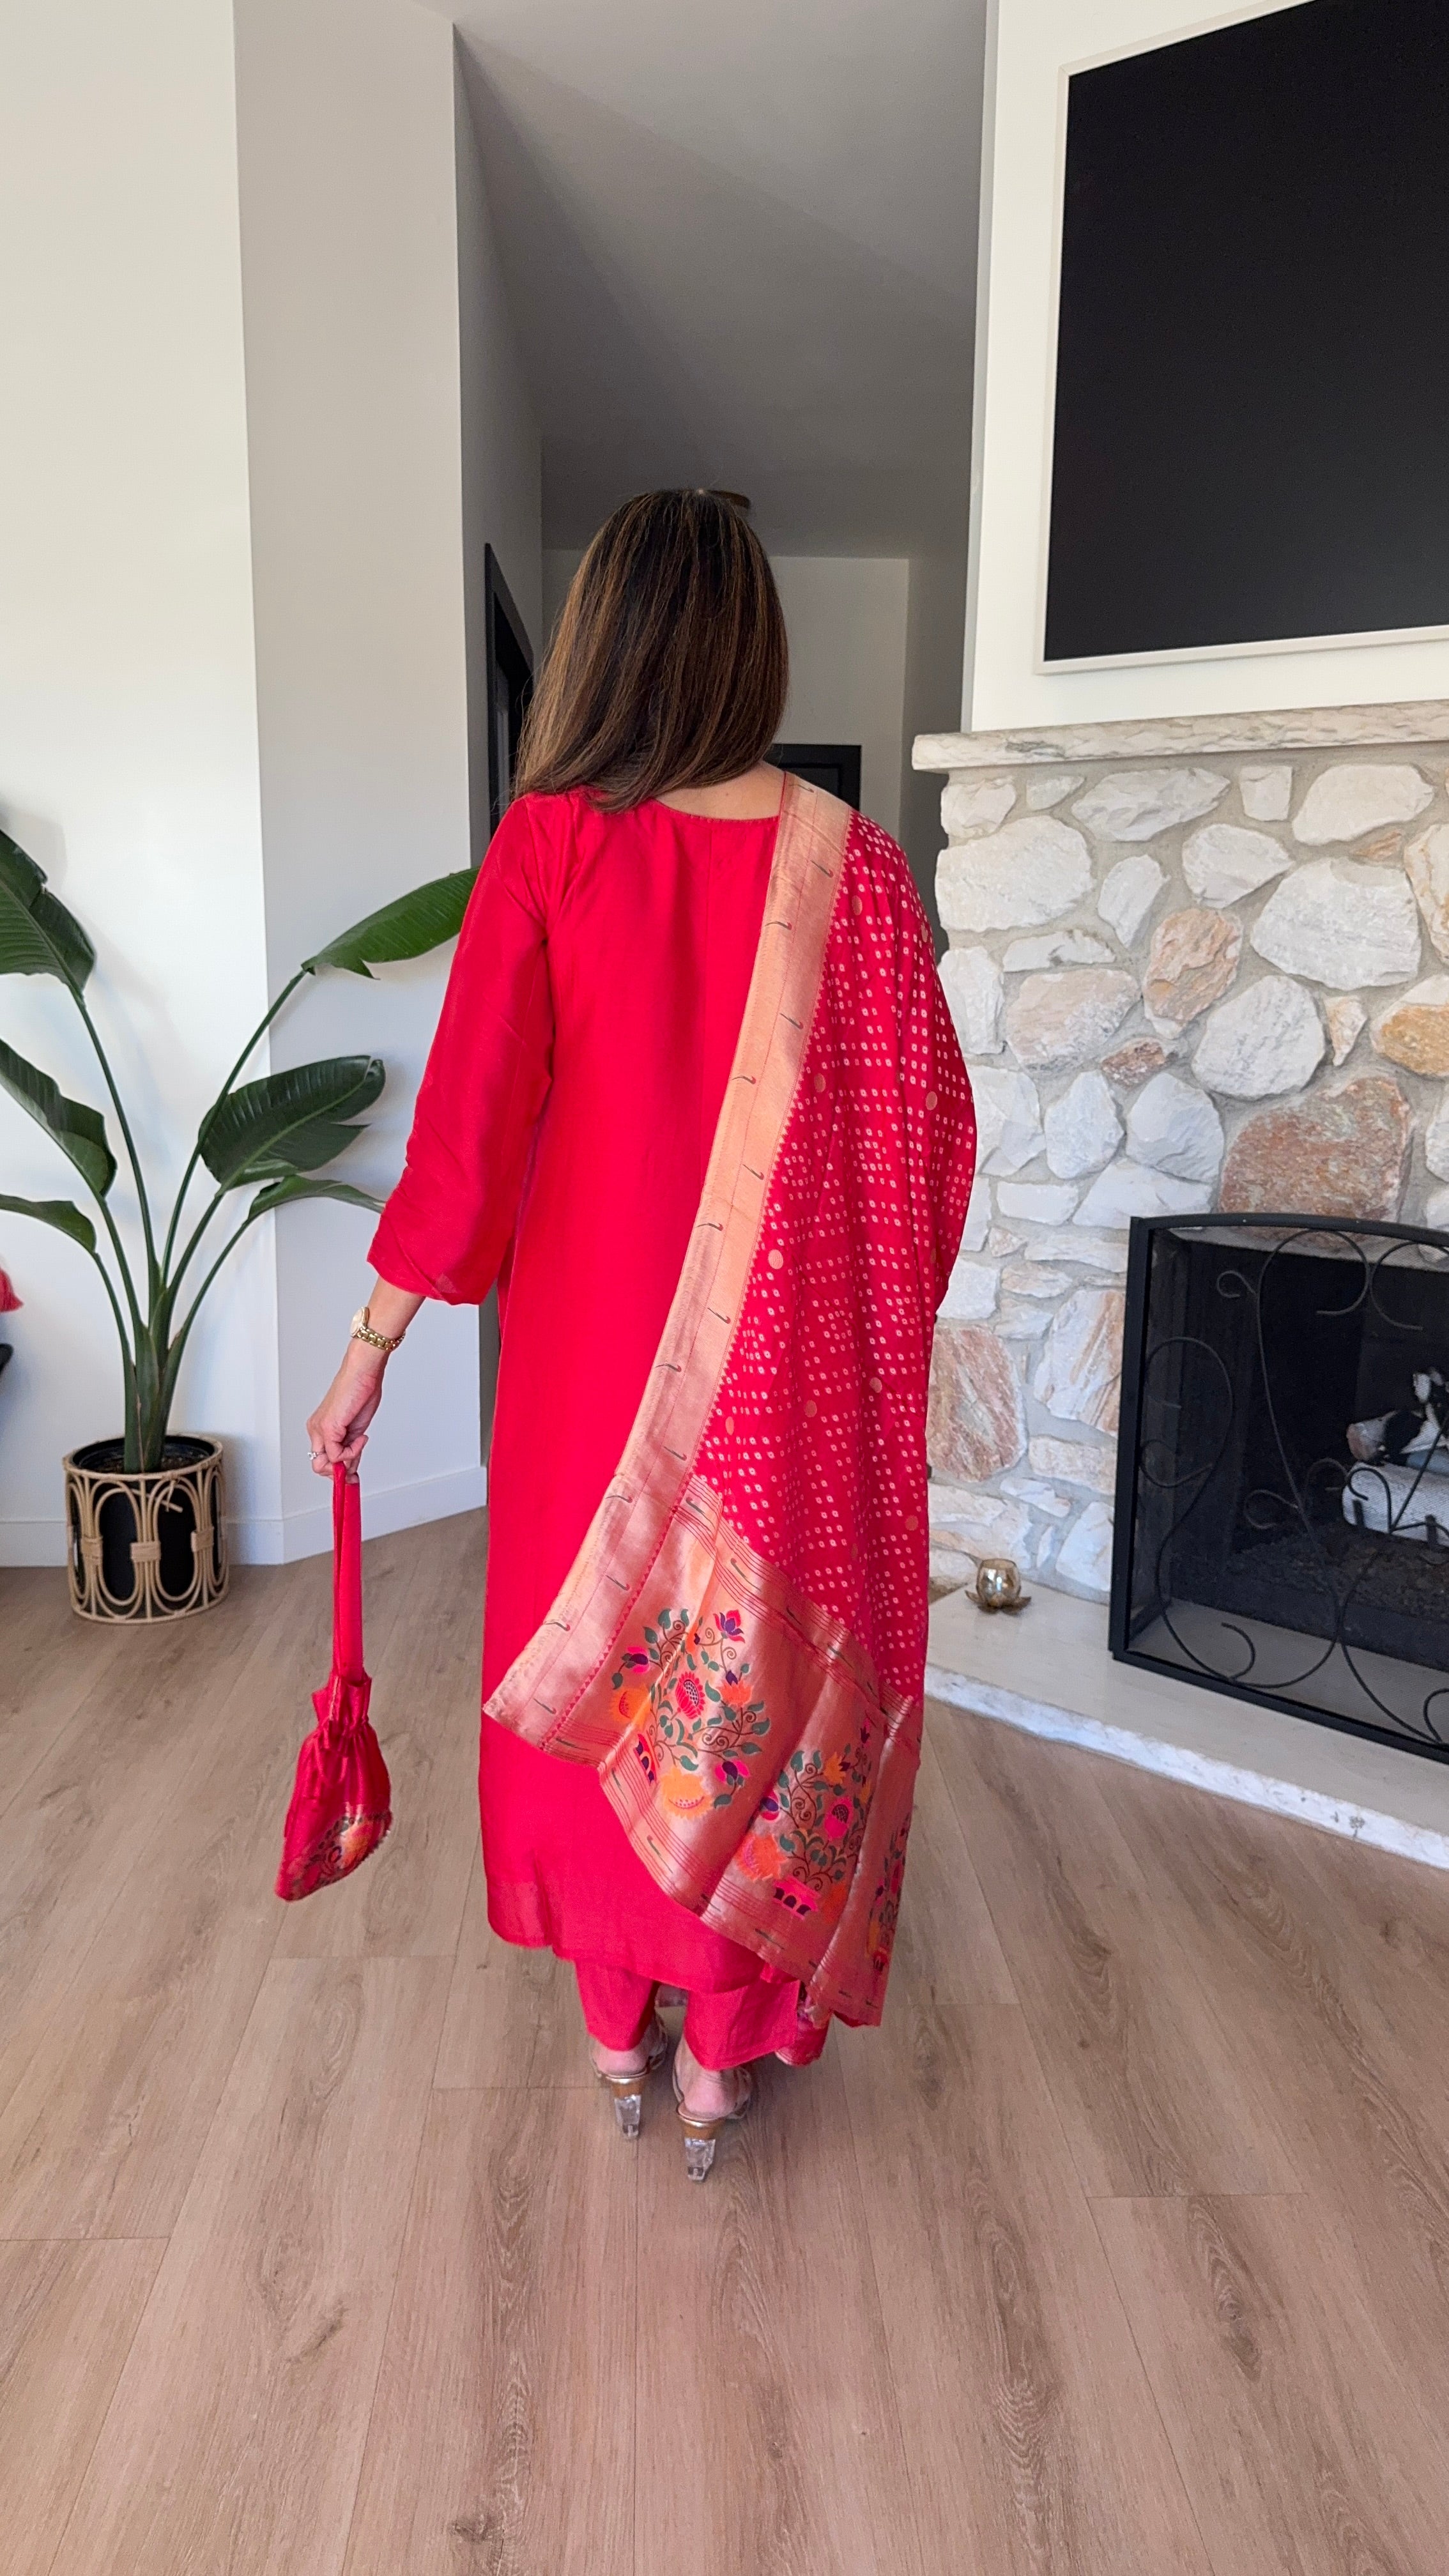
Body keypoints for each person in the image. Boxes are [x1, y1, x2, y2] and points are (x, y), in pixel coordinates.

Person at [307, 489, 976, 2179]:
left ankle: (620, 2034)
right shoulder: (858, 870)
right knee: (756, 1688)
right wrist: (854, 1325)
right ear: (753, 642)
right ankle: (722, 2060)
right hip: (784, 1389)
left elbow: (468, 1142)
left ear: (600, 641)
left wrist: (373, 1342)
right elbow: (930, 1145)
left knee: (601, 1682)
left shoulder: (551, 843)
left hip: (587, 1383)